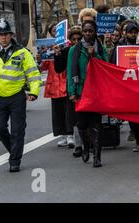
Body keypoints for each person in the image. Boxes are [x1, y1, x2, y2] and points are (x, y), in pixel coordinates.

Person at [0, 19, 42, 172]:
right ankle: (14, 148)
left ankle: (15, 160)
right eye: (0, 35)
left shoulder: (22, 52)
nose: (3, 37)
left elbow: (33, 74)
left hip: (17, 97)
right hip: (0, 98)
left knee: (18, 130)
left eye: (6, 34)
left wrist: (33, 92)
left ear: (11, 35)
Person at [67, 20, 108, 167]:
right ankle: (85, 147)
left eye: (90, 31)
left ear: (95, 31)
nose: (88, 34)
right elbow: (70, 71)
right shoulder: (74, 50)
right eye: (85, 31)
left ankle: (97, 156)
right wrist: (71, 91)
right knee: (82, 124)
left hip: (96, 91)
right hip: (81, 91)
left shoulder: (101, 48)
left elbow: (106, 67)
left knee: (96, 124)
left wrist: (95, 54)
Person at [110, 22, 139, 153]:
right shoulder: (119, 48)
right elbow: (113, 65)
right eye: (131, 32)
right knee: (132, 115)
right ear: (125, 33)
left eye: (135, 32)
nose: (133, 34)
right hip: (127, 87)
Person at [40, 32, 74, 148]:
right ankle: (63, 135)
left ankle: (70, 134)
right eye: (53, 30)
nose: (55, 31)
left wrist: (59, 53)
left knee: (68, 112)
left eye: (56, 29)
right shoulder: (48, 45)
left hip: (65, 83)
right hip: (54, 86)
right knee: (57, 112)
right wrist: (40, 58)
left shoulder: (68, 45)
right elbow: (43, 68)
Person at [53, 26, 83, 157]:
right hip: (72, 87)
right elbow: (58, 69)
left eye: (78, 38)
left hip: (85, 86)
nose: (76, 41)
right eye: (73, 39)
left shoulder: (85, 49)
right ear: (69, 40)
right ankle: (77, 143)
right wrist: (58, 55)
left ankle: (89, 142)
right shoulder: (66, 51)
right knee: (73, 116)